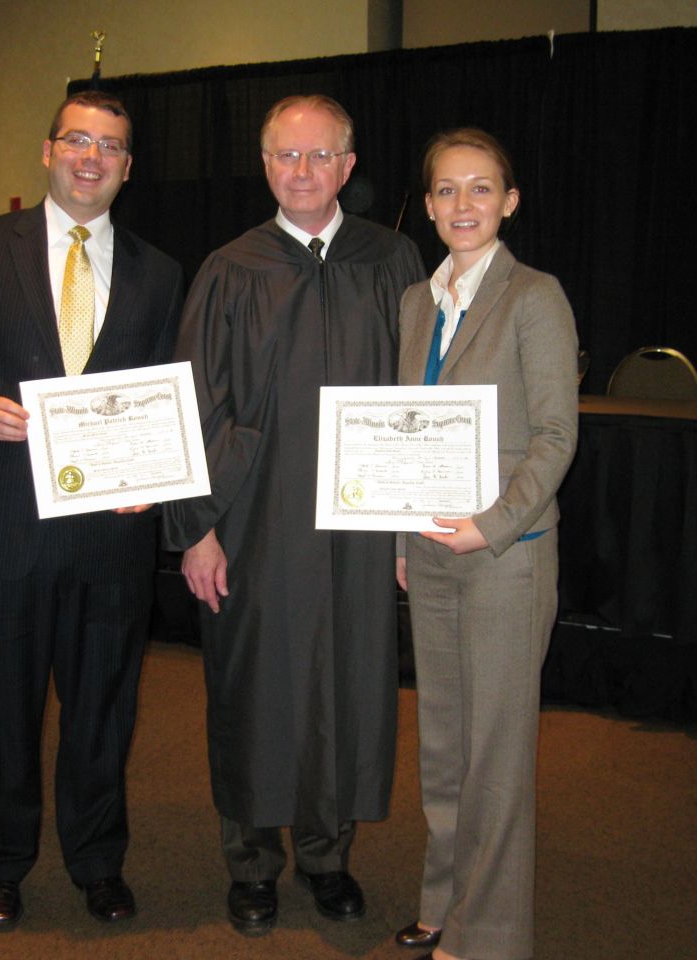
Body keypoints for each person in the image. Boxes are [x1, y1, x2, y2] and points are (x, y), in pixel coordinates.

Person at [0, 91, 184, 932]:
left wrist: (157, 473)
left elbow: (169, 392)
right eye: (78, 140)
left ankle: (98, 863)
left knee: (103, 712)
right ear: (48, 149)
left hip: (110, 538)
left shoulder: (159, 271)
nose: (92, 157)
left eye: (112, 146)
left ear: (129, 167)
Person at [165, 94, 425, 935]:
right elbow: (194, 408)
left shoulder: (392, 260)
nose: (304, 171)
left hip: (359, 527)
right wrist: (196, 529)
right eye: (287, 156)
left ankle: (327, 855)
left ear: (349, 166)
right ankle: (251, 863)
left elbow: (427, 399)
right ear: (266, 166)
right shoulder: (231, 267)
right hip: (256, 522)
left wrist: (409, 525)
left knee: (346, 686)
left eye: (321, 156)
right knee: (254, 689)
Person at [393, 128, 578, 960]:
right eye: (444, 190)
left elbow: (554, 438)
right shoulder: (413, 303)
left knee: (496, 751)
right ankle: (443, 902)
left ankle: (490, 937)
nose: (460, 205)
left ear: (508, 201)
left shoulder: (535, 296)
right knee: (444, 742)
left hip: (506, 555)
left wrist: (491, 524)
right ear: (428, 204)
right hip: (430, 552)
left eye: (479, 189)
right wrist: (405, 535)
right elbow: (406, 433)